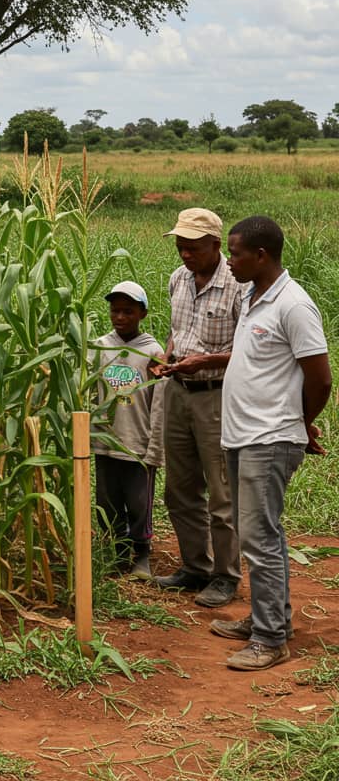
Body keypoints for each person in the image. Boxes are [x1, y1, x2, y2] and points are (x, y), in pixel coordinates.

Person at [210, 216, 331, 670]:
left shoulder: (294, 305)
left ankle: (269, 639)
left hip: (269, 438)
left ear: (261, 256)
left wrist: (300, 422)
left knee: (259, 538)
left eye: (235, 253)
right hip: (243, 435)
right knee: (260, 534)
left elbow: (320, 379)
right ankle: (270, 618)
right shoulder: (251, 296)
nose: (229, 261)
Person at [152, 207, 243, 608]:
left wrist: (206, 361)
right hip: (178, 391)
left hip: (216, 395)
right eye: (180, 246)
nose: (185, 254)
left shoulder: (237, 286)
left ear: (216, 245)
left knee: (221, 493)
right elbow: (178, 332)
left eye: (193, 247)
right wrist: (166, 357)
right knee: (180, 488)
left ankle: (226, 575)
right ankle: (195, 567)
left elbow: (250, 350)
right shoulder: (178, 278)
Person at [93, 282, 165, 580]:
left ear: (142, 313)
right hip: (104, 442)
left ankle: (142, 553)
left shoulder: (153, 351)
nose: (120, 317)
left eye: (128, 311)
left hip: (138, 444)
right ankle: (119, 552)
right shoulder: (100, 347)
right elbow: (88, 392)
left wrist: (155, 448)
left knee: (139, 503)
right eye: (115, 311)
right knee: (107, 501)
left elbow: (159, 404)